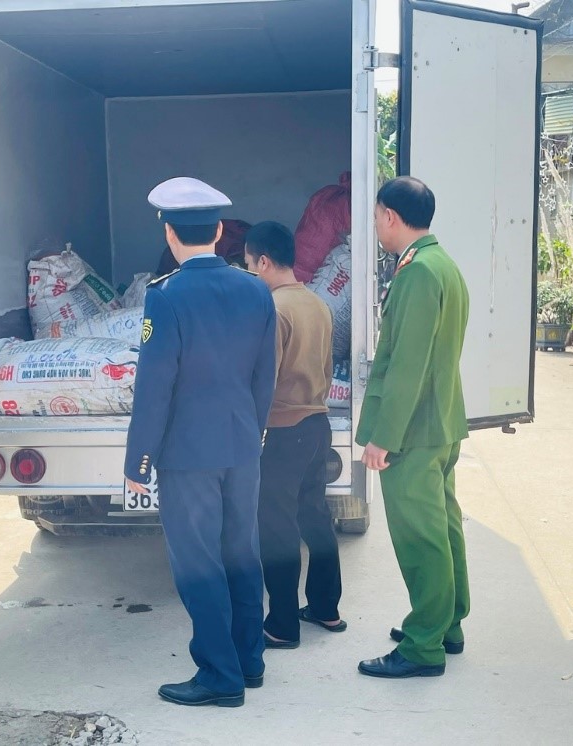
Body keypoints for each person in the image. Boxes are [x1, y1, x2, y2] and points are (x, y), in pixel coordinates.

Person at [124, 177, 276, 708]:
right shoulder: (256, 289)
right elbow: (265, 376)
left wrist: (139, 461)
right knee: (242, 554)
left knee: (198, 564)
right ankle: (249, 662)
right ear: (219, 231)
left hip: (188, 454)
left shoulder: (165, 296)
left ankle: (219, 674)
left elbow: (155, 386)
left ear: (169, 233)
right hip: (242, 445)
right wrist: (252, 430)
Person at [354, 176, 470, 679]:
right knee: (443, 527)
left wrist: (384, 437)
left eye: (377, 216)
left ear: (390, 217)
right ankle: (446, 624)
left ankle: (424, 645)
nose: (377, 225)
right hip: (439, 422)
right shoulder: (441, 264)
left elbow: (407, 364)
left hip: (414, 430)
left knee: (421, 536)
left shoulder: (419, 272)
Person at [243, 221, 345, 649]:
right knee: (315, 517)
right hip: (318, 425)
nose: (250, 272)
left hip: (284, 432)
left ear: (264, 262)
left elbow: (263, 380)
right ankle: (325, 608)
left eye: (249, 265)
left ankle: (282, 625)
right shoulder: (317, 304)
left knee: (277, 528)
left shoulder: (272, 309)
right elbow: (326, 368)